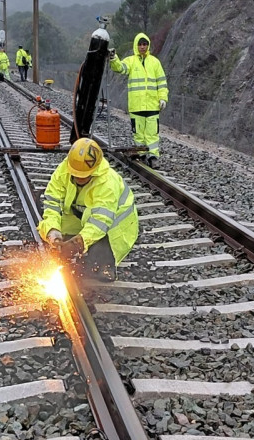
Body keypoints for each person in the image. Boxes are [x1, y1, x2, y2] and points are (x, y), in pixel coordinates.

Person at [38, 138, 139, 281]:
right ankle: (71, 246)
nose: (79, 178)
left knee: (96, 266)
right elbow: (52, 205)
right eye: (76, 174)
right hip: (84, 217)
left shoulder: (107, 182)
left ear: (94, 170)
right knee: (54, 226)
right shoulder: (63, 171)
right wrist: (54, 234)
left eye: (83, 175)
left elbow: (100, 222)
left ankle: (105, 265)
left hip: (114, 229)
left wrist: (77, 244)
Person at [109, 32, 168, 168]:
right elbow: (120, 68)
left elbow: (162, 82)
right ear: (137, 45)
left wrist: (163, 98)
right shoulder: (131, 61)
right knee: (139, 134)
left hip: (153, 105)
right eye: (140, 44)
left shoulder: (155, 62)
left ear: (148, 45)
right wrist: (113, 58)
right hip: (137, 106)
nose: (142, 47)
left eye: (145, 44)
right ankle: (141, 156)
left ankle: (153, 157)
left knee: (152, 134)